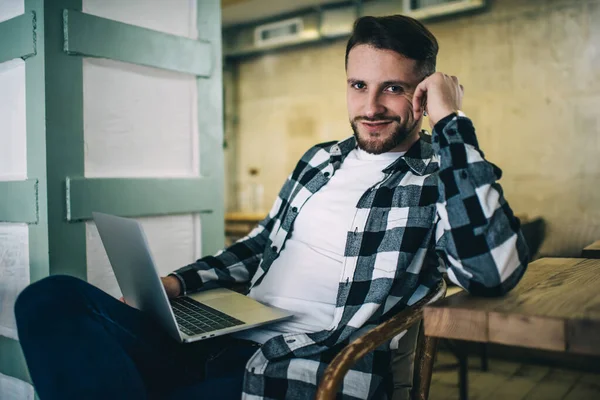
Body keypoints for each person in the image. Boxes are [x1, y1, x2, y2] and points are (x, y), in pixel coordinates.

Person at [14, 14, 528, 400]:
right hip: (219, 337)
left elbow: (490, 269)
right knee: (50, 299)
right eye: (358, 86)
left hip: (297, 368)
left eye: (392, 89)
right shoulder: (320, 160)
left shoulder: (439, 174)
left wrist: (452, 121)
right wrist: (179, 283)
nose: (370, 108)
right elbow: (261, 244)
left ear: (422, 93)